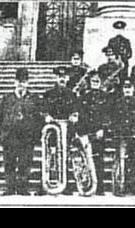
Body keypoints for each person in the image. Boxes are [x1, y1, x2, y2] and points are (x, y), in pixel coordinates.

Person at [0, 68, 42, 196]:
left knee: (25, 162)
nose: (21, 84)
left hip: (27, 137)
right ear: (14, 82)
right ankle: (10, 188)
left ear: (27, 83)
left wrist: (36, 135)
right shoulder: (6, 98)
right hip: (10, 137)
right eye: (18, 81)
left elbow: (38, 118)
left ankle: (22, 188)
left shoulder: (33, 98)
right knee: (9, 162)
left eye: (24, 81)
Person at [41, 66, 78, 195]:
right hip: (53, 129)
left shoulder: (72, 94)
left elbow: (75, 110)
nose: (62, 79)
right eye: (59, 77)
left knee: (65, 155)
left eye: (64, 77)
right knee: (50, 155)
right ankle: (47, 183)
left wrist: (74, 116)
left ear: (67, 78)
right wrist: (46, 116)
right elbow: (43, 110)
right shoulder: (48, 94)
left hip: (66, 129)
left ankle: (66, 184)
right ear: (55, 78)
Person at [75, 71, 111, 196]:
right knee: (85, 160)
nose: (95, 83)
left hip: (98, 132)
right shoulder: (83, 98)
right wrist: (81, 134)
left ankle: (99, 187)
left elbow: (108, 116)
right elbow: (80, 117)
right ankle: (86, 185)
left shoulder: (106, 98)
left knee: (98, 159)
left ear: (100, 83)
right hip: (86, 132)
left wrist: (103, 129)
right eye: (93, 81)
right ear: (90, 83)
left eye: (97, 81)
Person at [111, 80, 135, 197]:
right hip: (122, 136)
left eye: (129, 87)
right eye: (125, 87)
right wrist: (118, 132)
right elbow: (114, 120)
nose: (127, 90)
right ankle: (120, 188)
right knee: (121, 163)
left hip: (134, 136)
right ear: (122, 89)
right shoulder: (117, 103)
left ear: (133, 89)